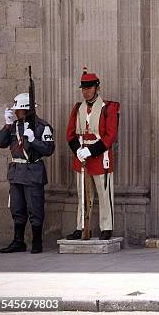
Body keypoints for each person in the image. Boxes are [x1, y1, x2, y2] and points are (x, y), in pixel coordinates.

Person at [0, 93, 55, 253]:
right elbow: (0, 143)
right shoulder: (14, 126)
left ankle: (37, 242)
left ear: (27, 110)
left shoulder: (42, 126)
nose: (16, 113)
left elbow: (49, 149)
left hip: (33, 172)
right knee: (17, 208)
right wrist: (7, 125)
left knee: (35, 208)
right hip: (17, 173)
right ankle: (18, 241)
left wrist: (33, 140)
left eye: (18, 110)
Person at [65, 67, 120, 241]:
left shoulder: (109, 108)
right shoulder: (77, 108)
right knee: (83, 195)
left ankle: (106, 227)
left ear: (97, 88)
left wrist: (91, 150)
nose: (86, 92)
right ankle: (81, 227)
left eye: (89, 88)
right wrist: (78, 151)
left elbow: (110, 136)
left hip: (100, 156)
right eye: (84, 89)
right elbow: (70, 133)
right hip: (81, 156)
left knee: (104, 194)